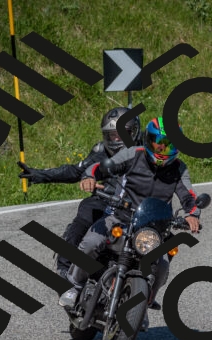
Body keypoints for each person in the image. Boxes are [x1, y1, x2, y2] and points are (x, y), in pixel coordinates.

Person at [59, 117, 201, 330]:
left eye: (168, 145)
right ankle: (75, 285)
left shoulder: (179, 168)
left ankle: (143, 305)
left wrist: (192, 214)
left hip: (152, 229)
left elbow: (189, 196)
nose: (162, 149)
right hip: (120, 217)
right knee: (91, 243)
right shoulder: (134, 154)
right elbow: (100, 167)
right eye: (158, 143)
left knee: (162, 265)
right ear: (148, 140)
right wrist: (90, 176)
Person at [17, 107, 141, 277]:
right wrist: (39, 175)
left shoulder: (146, 153)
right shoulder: (101, 151)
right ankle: (64, 267)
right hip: (106, 200)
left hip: (136, 204)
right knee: (85, 214)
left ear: (134, 132)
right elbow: (75, 171)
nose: (117, 139)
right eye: (112, 135)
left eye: (122, 134)